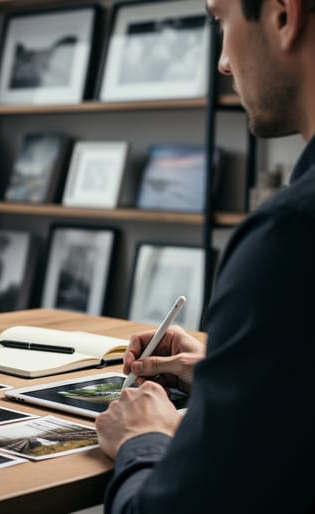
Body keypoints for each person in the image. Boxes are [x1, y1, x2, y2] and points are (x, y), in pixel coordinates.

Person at [95, 0, 315, 512]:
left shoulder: (289, 236)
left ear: (285, 16)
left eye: (222, 20)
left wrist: (142, 439)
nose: (222, 61)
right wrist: (231, 370)